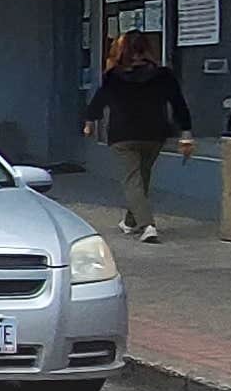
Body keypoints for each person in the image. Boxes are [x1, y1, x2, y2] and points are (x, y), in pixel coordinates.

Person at [83, 32, 195, 242]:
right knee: (141, 178)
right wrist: (186, 132)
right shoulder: (163, 75)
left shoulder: (114, 75)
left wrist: (90, 121)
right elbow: (178, 104)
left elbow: (99, 100)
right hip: (154, 133)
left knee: (132, 180)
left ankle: (147, 225)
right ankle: (130, 221)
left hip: (123, 134)